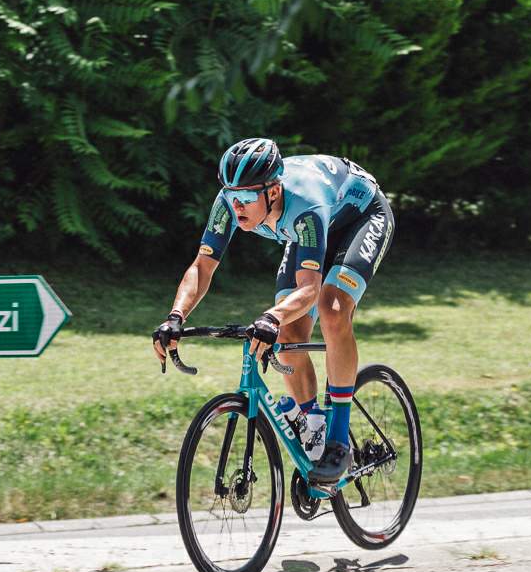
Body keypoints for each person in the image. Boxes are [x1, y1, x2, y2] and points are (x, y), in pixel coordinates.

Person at [152, 138, 394, 485]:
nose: (237, 205)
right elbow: (202, 267)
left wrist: (271, 316)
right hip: (307, 230)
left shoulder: (306, 203)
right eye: (232, 195)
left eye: (247, 197)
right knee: (288, 332)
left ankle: (339, 441)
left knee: (332, 308)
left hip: (360, 217)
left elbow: (310, 290)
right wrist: (175, 317)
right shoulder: (230, 202)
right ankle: (313, 425)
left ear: (274, 191)